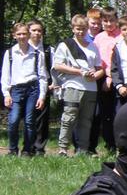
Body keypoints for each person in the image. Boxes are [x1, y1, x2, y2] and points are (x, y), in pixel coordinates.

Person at [53, 14, 103, 157]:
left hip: (91, 88)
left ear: (87, 29)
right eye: (78, 29)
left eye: (83, 29)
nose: (80, 32)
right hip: (72, 86)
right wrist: (79, 72)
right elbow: (58, 66)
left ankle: (83, 149)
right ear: (73, 28)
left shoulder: (93, 46)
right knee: (68, 118)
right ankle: (63, 148)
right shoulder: (65, 45)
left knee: (86, 120)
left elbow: (100, 68)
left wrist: (95, 74)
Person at [2, 22, 48, 157]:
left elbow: (43, 76)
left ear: (29, 35)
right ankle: (12, 149)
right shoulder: (10, 53)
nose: (22, 36)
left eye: (24, 33)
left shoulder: (37, 54)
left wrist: (42, 96)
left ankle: (27, 149)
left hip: (32, 89)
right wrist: (6, 94)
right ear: (14, 36)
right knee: (13, 119)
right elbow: (5, 75)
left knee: (29, 121)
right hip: (16, 89)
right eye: (19, 34)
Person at [91, 7, 121, 154]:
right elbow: (98, 60)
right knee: (105, 113)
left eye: (112, 20)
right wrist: (105, 76)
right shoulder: (99, 38)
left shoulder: (121, 36)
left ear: (117, 20)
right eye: (105, 21)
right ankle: (109, 144)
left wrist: (111, 77)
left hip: (118, 77)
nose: (109, 24)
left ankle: (119, 143)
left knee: (118, 112)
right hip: (102, 77)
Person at [28, 19, 53, 156]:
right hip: (27, 87)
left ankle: (39, 148)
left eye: (39, 31)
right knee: (29, 118)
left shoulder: (48, 49)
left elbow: (54, 69)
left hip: (45, 87)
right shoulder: (24, 48)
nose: (37, 33)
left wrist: (53, 83)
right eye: (34, 30)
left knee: (42, 120)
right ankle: (28, 146)